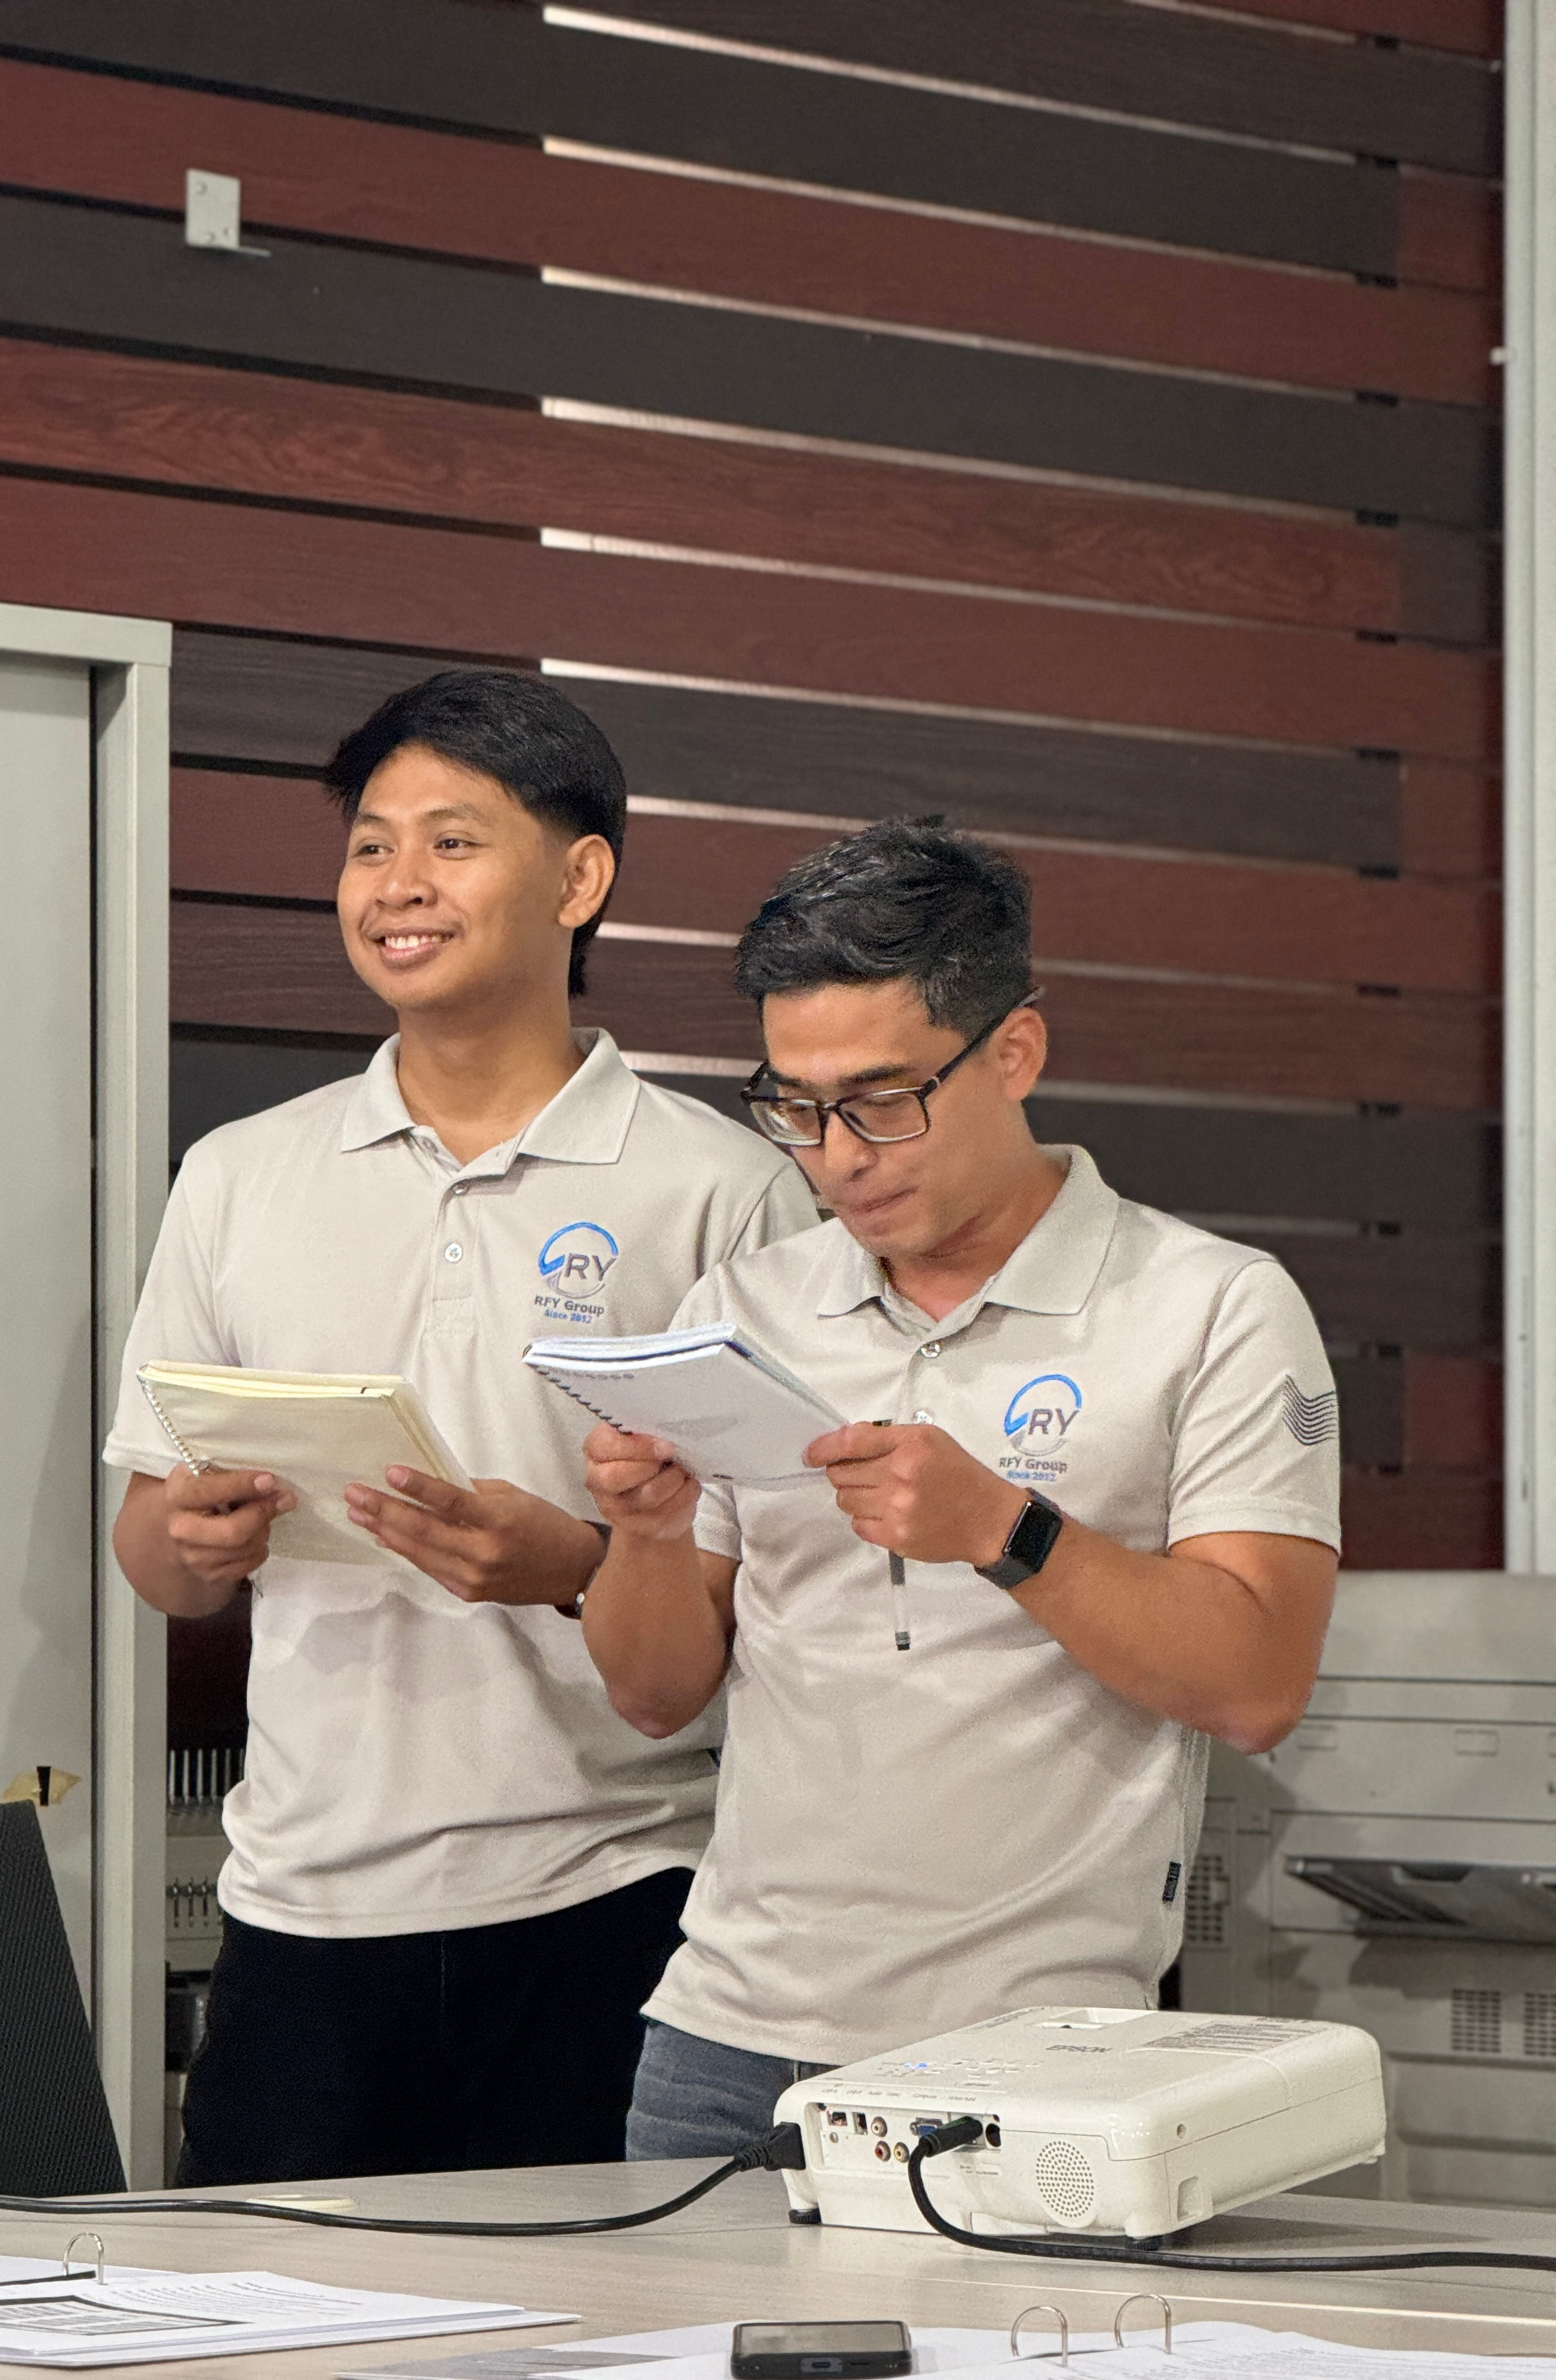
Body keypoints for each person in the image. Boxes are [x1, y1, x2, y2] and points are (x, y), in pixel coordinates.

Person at [103, 669, 817, 2183]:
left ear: (581, 878)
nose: (398, 884)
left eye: (451, 841)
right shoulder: (240, 1174)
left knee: (601, 2311)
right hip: (300, 1906)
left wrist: (575, 1566)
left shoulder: (722, 1190)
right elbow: (152, 1557)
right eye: (371, 846)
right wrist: (188, 1538)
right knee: (269, 2308)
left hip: (612, 1896)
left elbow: (787, 1590)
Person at [576, 819, 1342, 2157]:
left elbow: (1257, 1683)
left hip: (1044, 2055)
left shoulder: (1213, 1305)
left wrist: (1005, 1528)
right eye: (796, 1109)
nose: (839, 1156)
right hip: (721, 2043)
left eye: (883, 1101)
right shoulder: (743, 1307)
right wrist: (643, 1539)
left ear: (1015, 1052)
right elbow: (652, 1696)